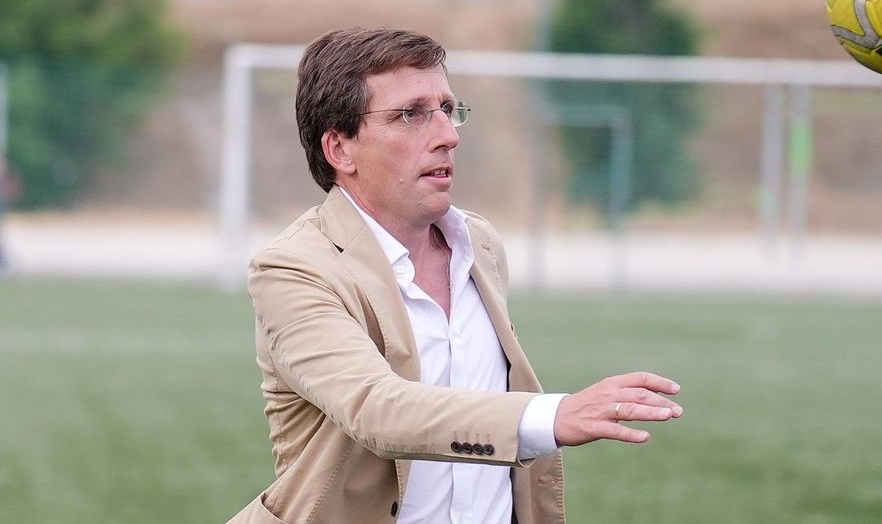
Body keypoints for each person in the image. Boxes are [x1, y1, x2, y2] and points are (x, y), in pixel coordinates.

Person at [228, 28, 683, 524]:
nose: (448, 134)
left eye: (447, 108)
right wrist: (551, 416)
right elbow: (377, 409)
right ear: (341, 149)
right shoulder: (294, 269)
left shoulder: (480, 244)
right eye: (410, 114)